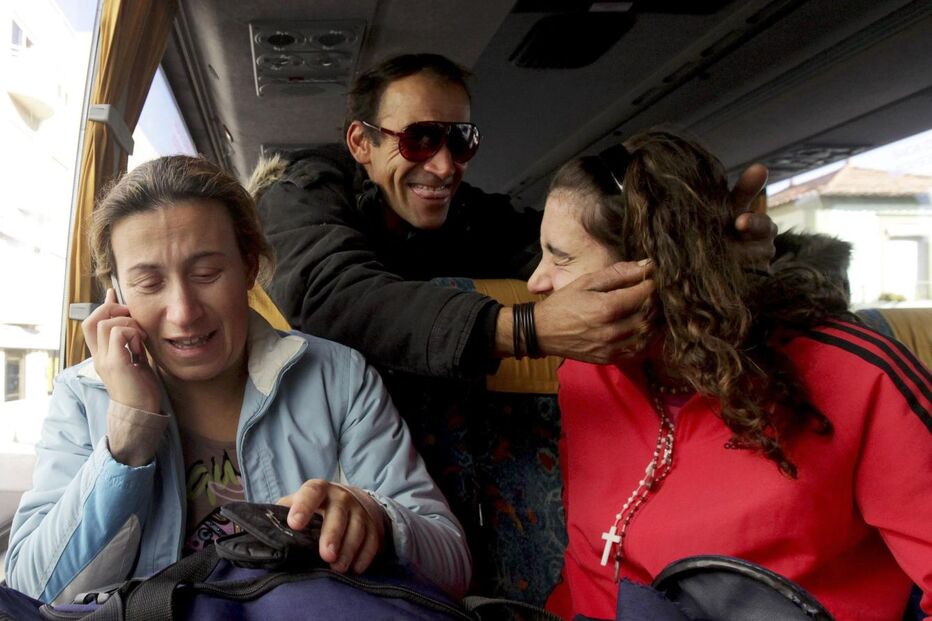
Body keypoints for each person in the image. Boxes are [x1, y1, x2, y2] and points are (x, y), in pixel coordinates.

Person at [3, 156, 470, 604]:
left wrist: (377, 521)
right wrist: (126, 437)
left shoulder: (337, 377)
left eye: (207, 273)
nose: (184, 312)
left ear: (249, 267)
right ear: (117, 294)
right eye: (149, 283)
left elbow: (452, 562)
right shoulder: (82, 397)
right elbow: (31, 590)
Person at [525, 131, 932, 620]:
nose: (536, 281)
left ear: (657, 266)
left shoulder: (858, 375)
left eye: (561, 257)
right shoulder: (585, 373)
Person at [252, 53, 776, 382]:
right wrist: (524, 329)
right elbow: (328, 296)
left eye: (460, 140)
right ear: (361, 142)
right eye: (419, 139)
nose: (443, 165)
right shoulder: (300, 195)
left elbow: (579, 247)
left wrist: (707, 247)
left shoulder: (471, 213)